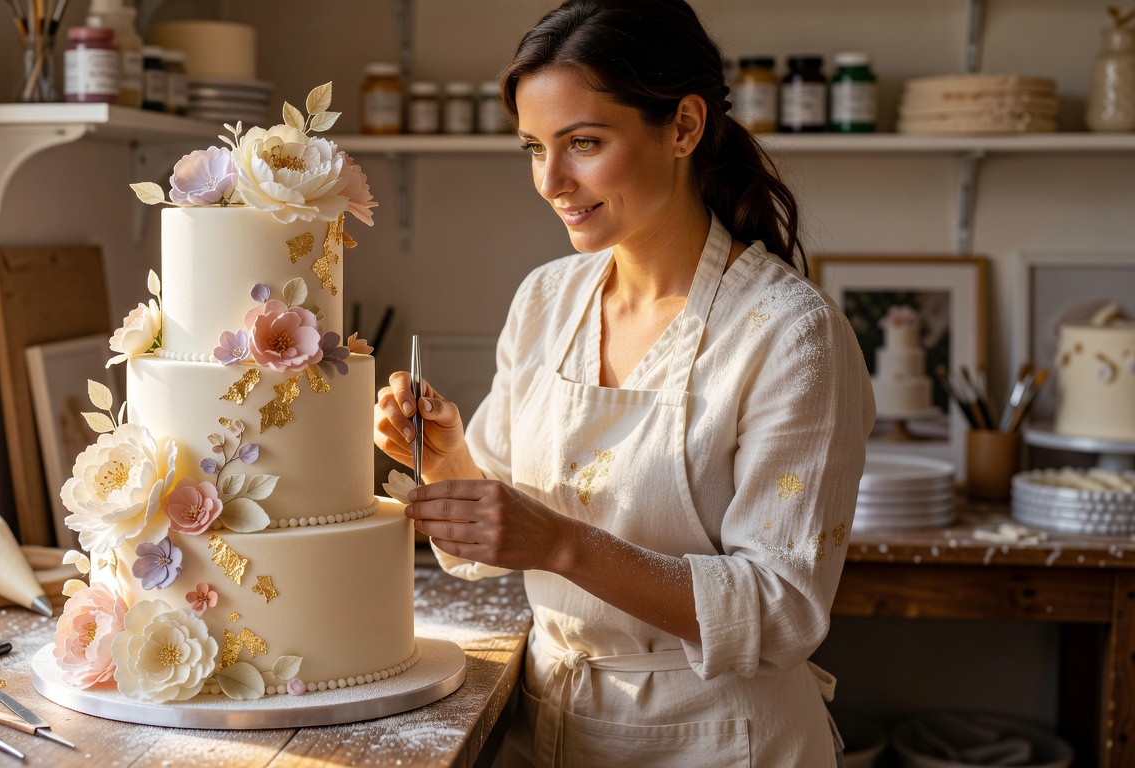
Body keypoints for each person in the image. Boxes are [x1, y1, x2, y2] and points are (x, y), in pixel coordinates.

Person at [374, 1, 875, 765]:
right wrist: (446, 462)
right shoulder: (546, 298)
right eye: (533, 147)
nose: (551, 180)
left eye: (583, 143)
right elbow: (493, 544)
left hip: (721, 739)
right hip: (549, 722)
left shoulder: (790, 333)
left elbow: (781, 613)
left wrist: (563, 545)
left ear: (683, 127)